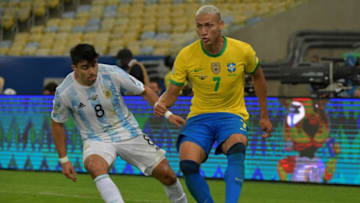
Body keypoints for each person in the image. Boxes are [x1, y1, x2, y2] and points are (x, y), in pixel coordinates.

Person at [154, 5, 272, 203]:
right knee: (188, 164)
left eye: (208, 26)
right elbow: (173, 92)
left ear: (220, 25)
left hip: (231, 115)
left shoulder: (242, 50)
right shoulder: (186, 55)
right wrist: (162, 102)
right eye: (199, 26)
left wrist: (264, 115)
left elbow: (259, 77)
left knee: (237, 146)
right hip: (200, 116)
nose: (203, 31)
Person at [51, 44, 187, 203]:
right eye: (85, 67)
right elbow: (57, 123)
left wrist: (167, 114)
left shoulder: (111, 72)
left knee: (168, 175)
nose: (92, 71)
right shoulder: (65, 92)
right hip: (96, 138)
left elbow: (144, 90)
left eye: (94, 65)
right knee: (95, 166)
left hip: (128, 131)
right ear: (74, 68)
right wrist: (64, 160)